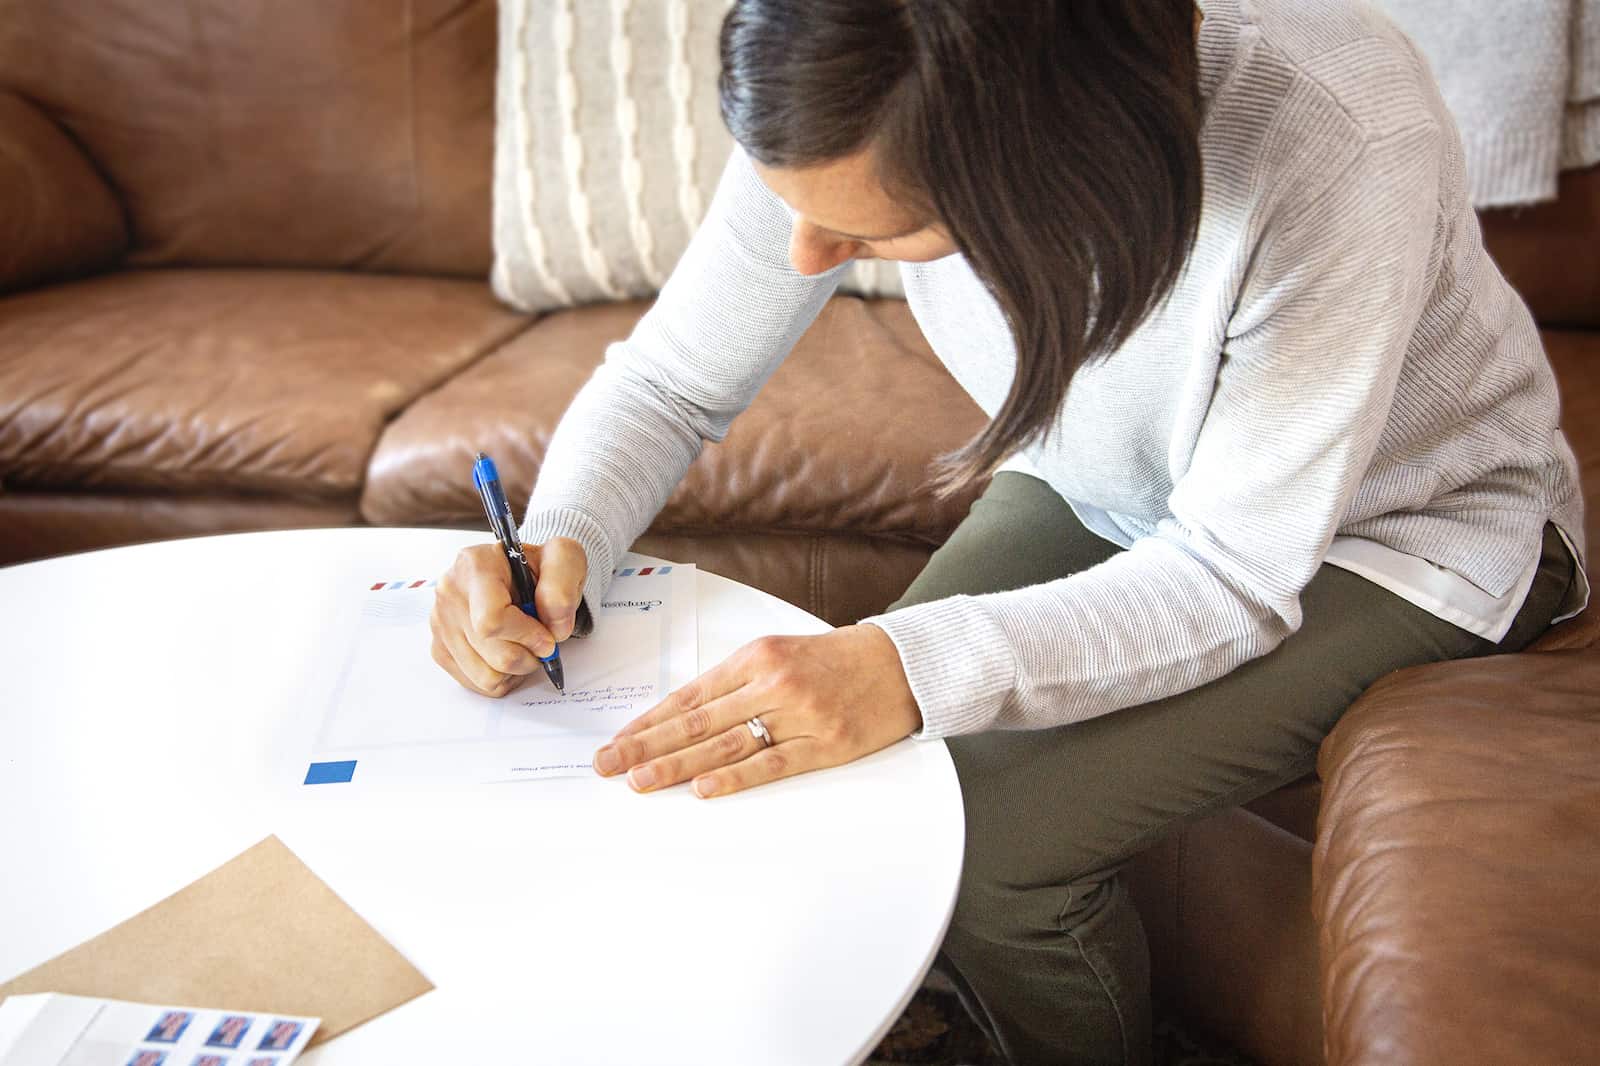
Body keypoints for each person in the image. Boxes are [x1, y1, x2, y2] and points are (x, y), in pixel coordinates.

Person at [429, 0, 1589, 1061]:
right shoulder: (836, 76)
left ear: (1048, 164)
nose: (805, 260)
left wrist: (903, 661)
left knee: (983, 848)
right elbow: (673, 384)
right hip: (1112, 487)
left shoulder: (1332, 135)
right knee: (858, 783)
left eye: (875, 235)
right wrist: (558, 536)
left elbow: (1230, 572)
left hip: (1399, 534)